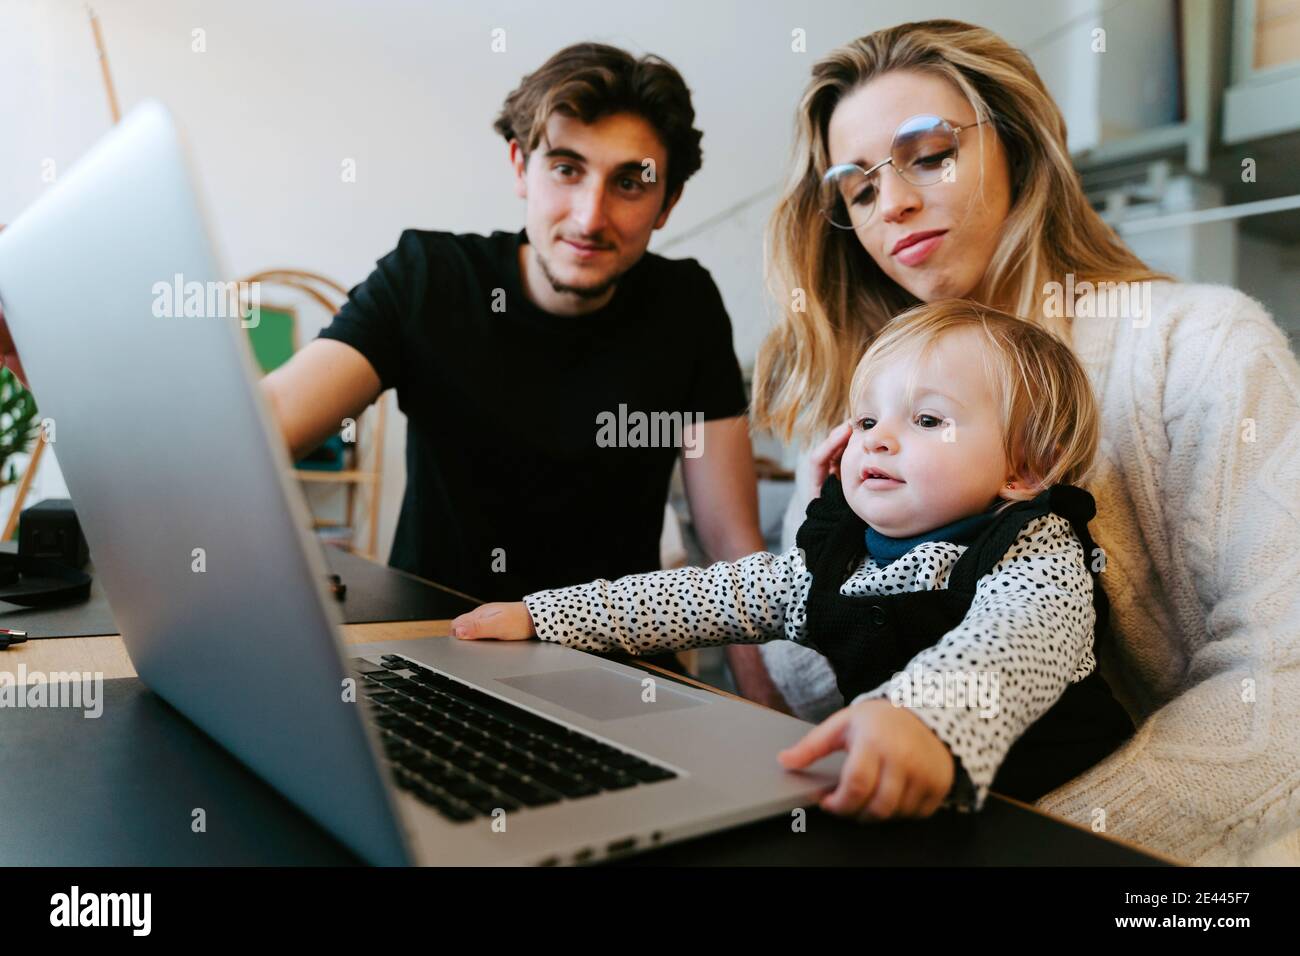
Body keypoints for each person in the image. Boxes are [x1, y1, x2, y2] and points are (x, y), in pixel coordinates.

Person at [725, 19, 1300, 864]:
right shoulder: (878, 405)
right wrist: (821, 538)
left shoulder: (1205, 348)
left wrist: (1045, 846)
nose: (894, 204)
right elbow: (821, 700)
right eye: (858, 189)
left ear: (1020, 146)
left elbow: (1279, 689)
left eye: (928, 155)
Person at [0, 45, 768, 675]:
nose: (591, 214)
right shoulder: (428, 279)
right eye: (567, 168)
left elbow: (735, 547)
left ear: (666, 204)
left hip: (621, 666)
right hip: (439, 652)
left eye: (631, 182)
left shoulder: (686, 306)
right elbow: (259, 429)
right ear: (520, 167)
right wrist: (70, 372)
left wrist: (758, 721)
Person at [450, 300, 1136, 821]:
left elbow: (1012, 643)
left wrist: (922, 719)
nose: (880, 441)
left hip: (1057, 815)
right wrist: (544, 615)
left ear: (1024, 469)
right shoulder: (831, 563)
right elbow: (703, 598)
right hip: (910, 810)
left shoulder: (1034, 550)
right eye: (867, 420)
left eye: (926, 420)